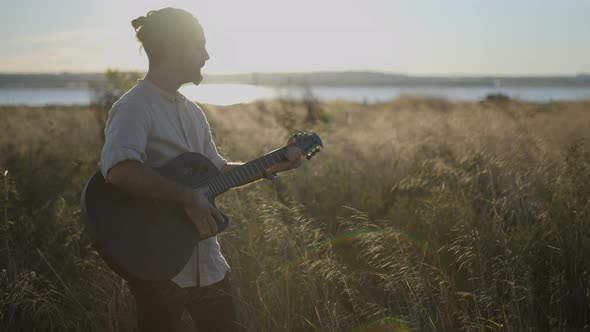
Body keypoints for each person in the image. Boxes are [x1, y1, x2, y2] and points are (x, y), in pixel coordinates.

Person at [98, 7, 301, 331]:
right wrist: (188, 198)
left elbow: (218, 173)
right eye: (199, 46)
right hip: (159, 269)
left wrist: (274, 164)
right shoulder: (133, 108)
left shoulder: (192, 113)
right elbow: (119, 171)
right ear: (174, 48)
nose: (206, 56)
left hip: (209, 265)